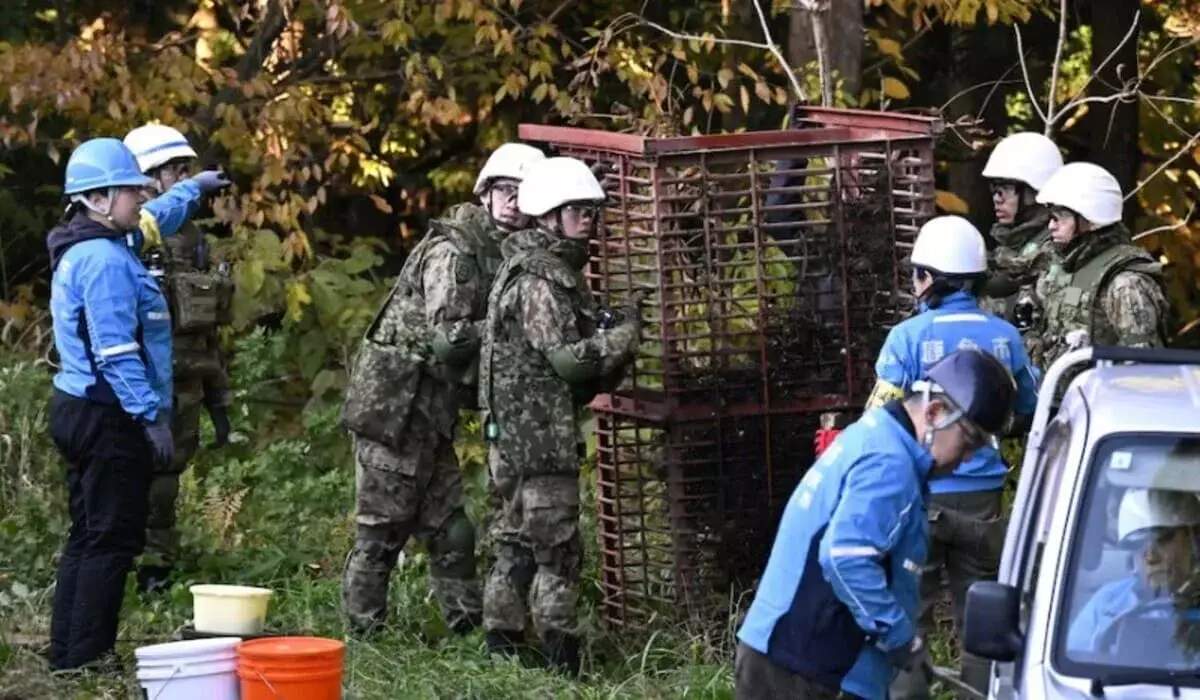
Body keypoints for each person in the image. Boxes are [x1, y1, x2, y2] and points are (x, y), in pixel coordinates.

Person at [339, 141, 546, 637]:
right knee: (382, 528)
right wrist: (508, 327)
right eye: (505, 191)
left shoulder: (510, 250)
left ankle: (465, 627)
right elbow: (449, 339)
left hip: (432, 408)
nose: (514, 202)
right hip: (397, 403)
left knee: (451, 528)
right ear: (486, 193)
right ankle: (363, 633)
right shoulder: (457, 249)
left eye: (524, 193)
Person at [735, 348, 1019, 700]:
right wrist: (901, 639)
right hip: (806, 666)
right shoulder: (891, 464)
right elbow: (846, 557)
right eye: (970, 440)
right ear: (934, 413)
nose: (969, 458)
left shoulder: (877, 434)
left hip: (787, 654)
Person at [477, 156, 643, 674]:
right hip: (537, 441)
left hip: (517, 435)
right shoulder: (541, 279)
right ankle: (561, 664)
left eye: (590, 210)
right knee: (555, 553)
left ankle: (503, 653)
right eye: (576, 211)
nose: (587, 220)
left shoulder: (533, 266)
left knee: (518, 544)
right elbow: (569, 362)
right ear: (548, 216)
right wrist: (623, 336)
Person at [865, 216, 1038, 699]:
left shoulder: (906, 338)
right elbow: (1028, 407)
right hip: (982, 500)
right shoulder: (1007, 336)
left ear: (931, 278)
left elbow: (880, 418)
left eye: (918, 272)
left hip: (918, 497)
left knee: (908, 614)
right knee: (981, 620)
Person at [45, 138, 176, 671]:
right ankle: (88, 657)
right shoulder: (103, 261)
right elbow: (116, 350)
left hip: (80, 406)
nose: (140, 200)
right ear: (98, 199)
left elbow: (159, 213)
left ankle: (67, 652)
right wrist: (150, 416)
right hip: (108, 414)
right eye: (131, 191)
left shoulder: (91, 245)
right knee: (113, 538)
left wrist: (189, 189)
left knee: (89, 534)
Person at [122, 123, 234, 592]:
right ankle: (120, 561)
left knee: (167, 478)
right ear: (148, 177)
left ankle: (155, 568)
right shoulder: (130, 232)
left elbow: (205, 325)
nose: (186, 178)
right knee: (130, 476)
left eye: (188, 170)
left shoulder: (191, 239)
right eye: (176, 170)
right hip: (136, 379)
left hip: (186, 377)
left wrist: (219, 401)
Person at [1035, 162, 1170, 373]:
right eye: (1051, 216)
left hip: (1101, 401)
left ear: (1091, 219)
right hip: (1056, 398)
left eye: (1059, 217)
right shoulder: (1061, 265)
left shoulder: (1125, 284)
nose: (1051, 225)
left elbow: (1144, 370)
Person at [1068, 488, 1200, 654]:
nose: (1151, 557)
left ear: (1194, 539)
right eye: (1137, 546)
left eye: (1162, 539)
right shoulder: (1107, 603)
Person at [978, 131, 1063, 365]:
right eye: (993, 189)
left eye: (1004, 188)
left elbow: (1006, 280)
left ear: (1032, 192)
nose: (996, 198)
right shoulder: (1015, 244)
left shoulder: (1053, 247)